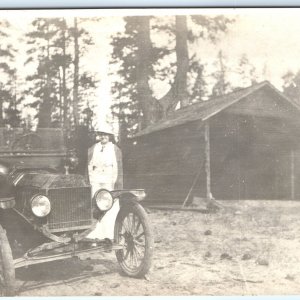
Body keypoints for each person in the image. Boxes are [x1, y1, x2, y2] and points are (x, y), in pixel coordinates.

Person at [86, 123, 123, 240]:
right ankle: (95, 233)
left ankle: (110, 233)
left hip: (109, 180)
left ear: (110, 136)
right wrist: (89, 182)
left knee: (109, 205)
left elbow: (118, 168)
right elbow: (89, 166)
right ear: (98, 136)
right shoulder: (93, 149)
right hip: (95, 180)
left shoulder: (115, 149)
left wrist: (116, 184)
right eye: (101, 134)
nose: (103, 137)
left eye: (106, 134)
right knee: (95, 204)